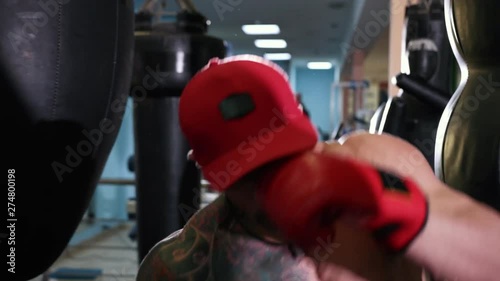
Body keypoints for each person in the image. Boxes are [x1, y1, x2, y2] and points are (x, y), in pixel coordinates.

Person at [136, 55, 500, 281]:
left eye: (284, 156)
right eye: (250, 175)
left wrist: (392, 208)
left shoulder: (378, 162)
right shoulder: (183, 264)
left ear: (305, 126)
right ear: (209, 175)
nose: (272, 183)